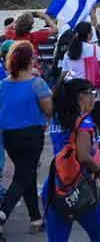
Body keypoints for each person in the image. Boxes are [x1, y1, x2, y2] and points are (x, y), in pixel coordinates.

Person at [43, 77, 100, 241]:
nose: (94, 97)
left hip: (55, 186)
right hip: (81, 187)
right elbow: (83, 156)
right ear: (81, 97)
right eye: (92, 93)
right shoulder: (84, 122)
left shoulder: (57, 118)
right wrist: (99, 171)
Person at [0, 42, 53, 234]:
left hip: (10, 136)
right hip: (31, 134)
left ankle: (35, 219)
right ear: (30, 60)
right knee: (22, 176)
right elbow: (48, 109)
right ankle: (2, 213)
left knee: (27, 173)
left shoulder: (3, 85)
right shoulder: (37, 83)